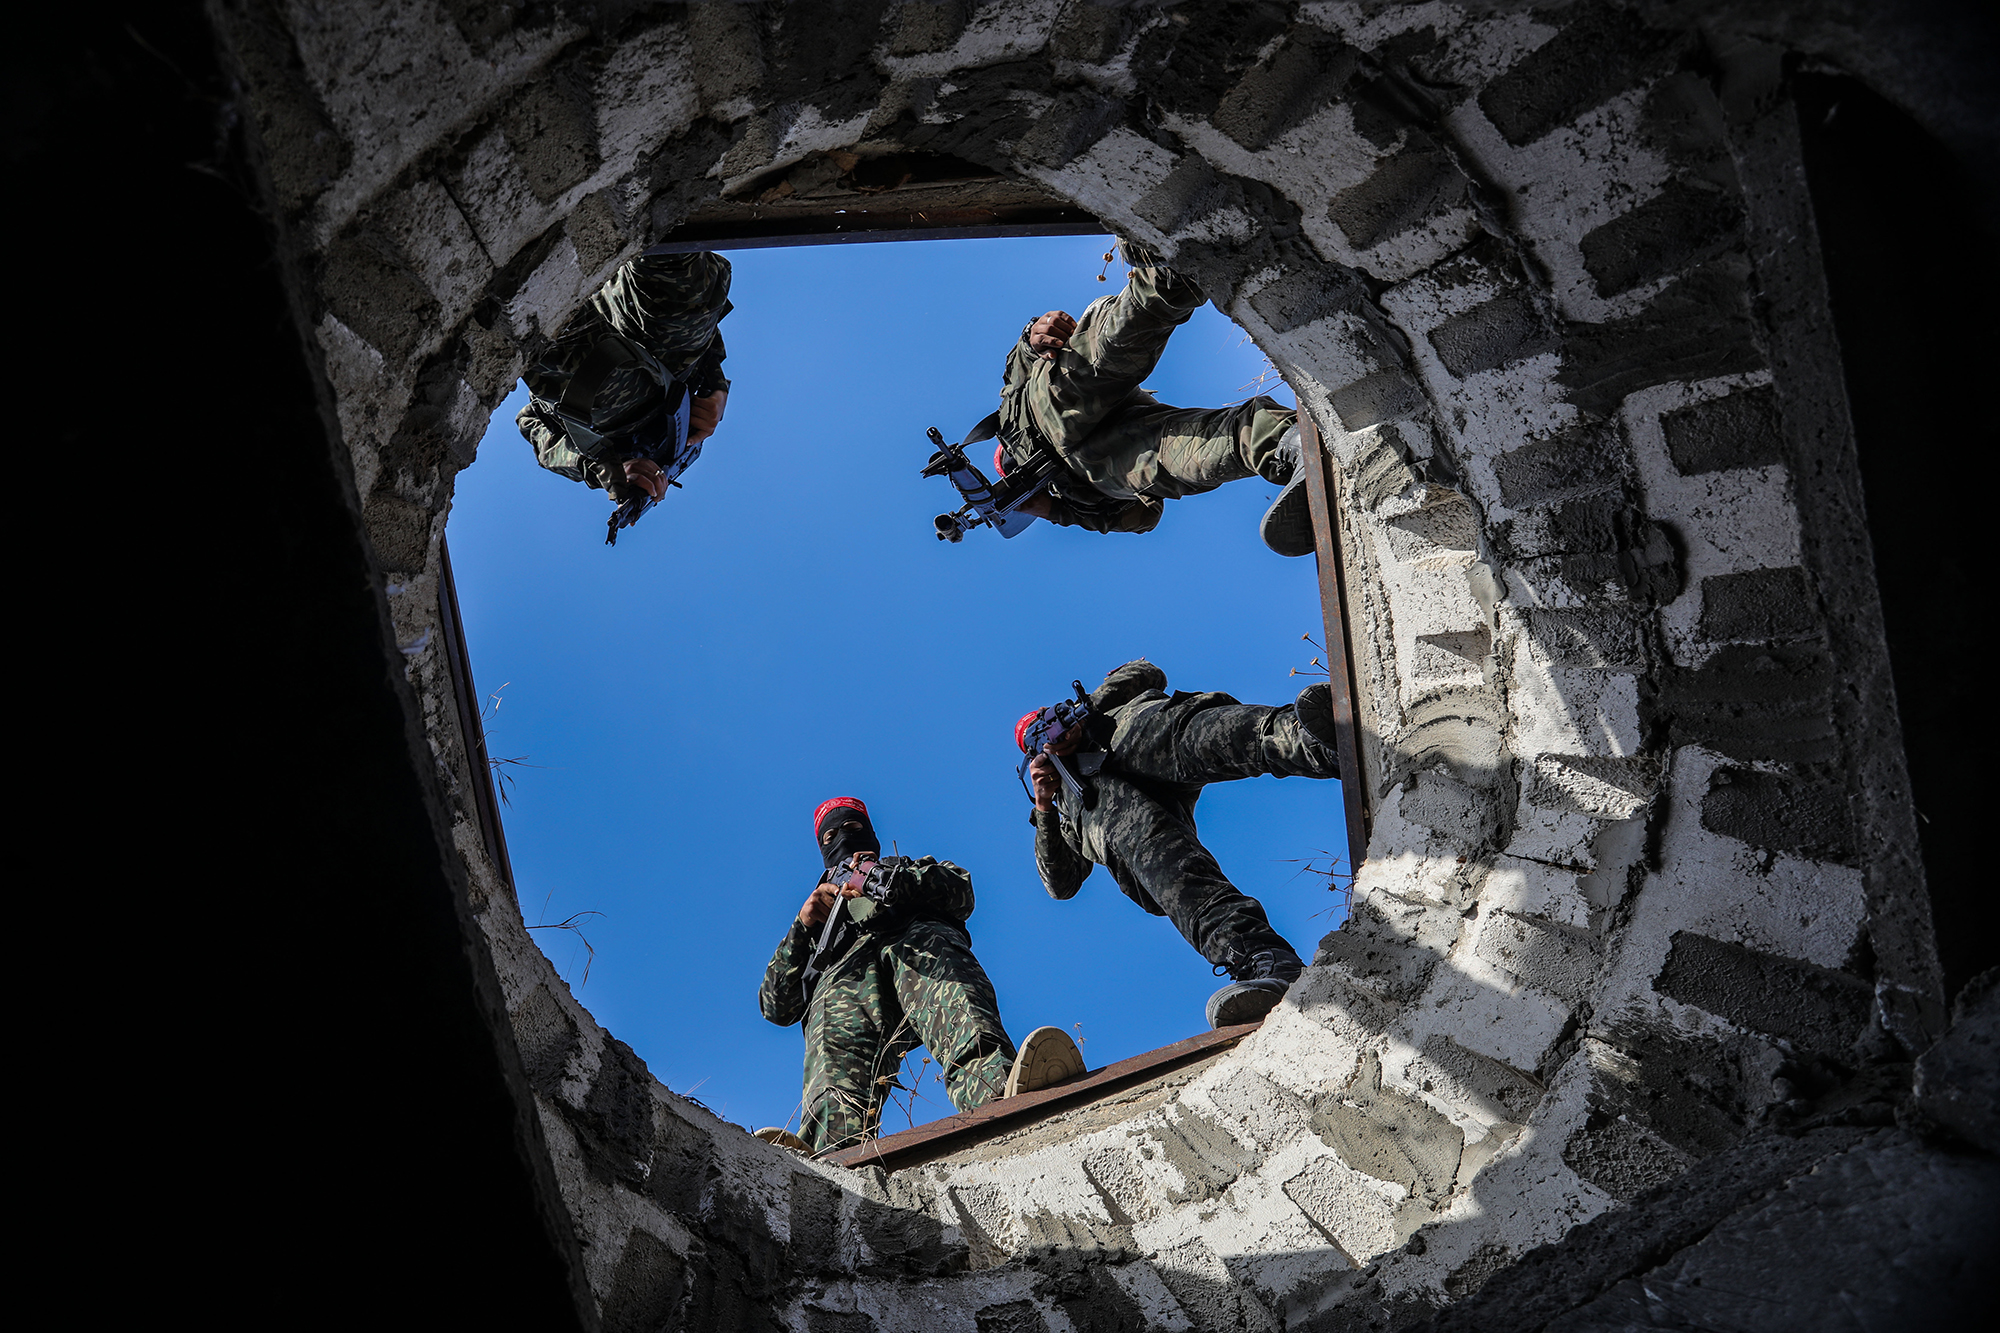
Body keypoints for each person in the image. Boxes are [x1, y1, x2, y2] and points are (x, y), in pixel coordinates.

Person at [1019, 661, 1341, 1029]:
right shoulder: (1063, 807)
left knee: (1217, 735)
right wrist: (1044, 805)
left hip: (1145, 733)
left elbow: (1148, 673)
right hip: (1129, 829)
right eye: (1038, 737)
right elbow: (1061, 884)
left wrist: (1085, 710)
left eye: (1048, 719)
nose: (1050, 733)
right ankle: (1261, 957)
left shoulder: (1104, 708)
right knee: (1183, 882)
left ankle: (1316, 739)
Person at [758, 797, 1085, 1155]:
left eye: (852, 829)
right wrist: (803, 927)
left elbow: (962, 893)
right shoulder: (816, 914)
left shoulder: (908, 870)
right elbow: (776, 1006)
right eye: (830, 836)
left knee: (960, 1013)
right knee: (834, 1066)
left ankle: (997, 1094)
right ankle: (829, 1151)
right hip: (848, 983)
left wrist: (894, 881)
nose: (842, 840)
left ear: (870, 834)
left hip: (917, 957)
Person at [992, 239, 1313, 555]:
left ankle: (1171, 258)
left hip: (1049, 408)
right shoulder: (1073, 503)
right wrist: (1055, 511)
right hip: (1097, 465)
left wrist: (1033, 336)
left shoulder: (1010, 419)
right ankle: (1289, 445)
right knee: (1192, 454)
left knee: (1110, 353)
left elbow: (1020, 365)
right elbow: (1144, 515)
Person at [516, 250, 734, 535]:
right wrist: (715, 388)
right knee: (684, 288)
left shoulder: (605, 462)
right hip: (662, 357)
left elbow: (531, 423)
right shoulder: (687, 441)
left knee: (532, 312)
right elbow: (704, 348)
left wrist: (604, 467)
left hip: (607, 400)